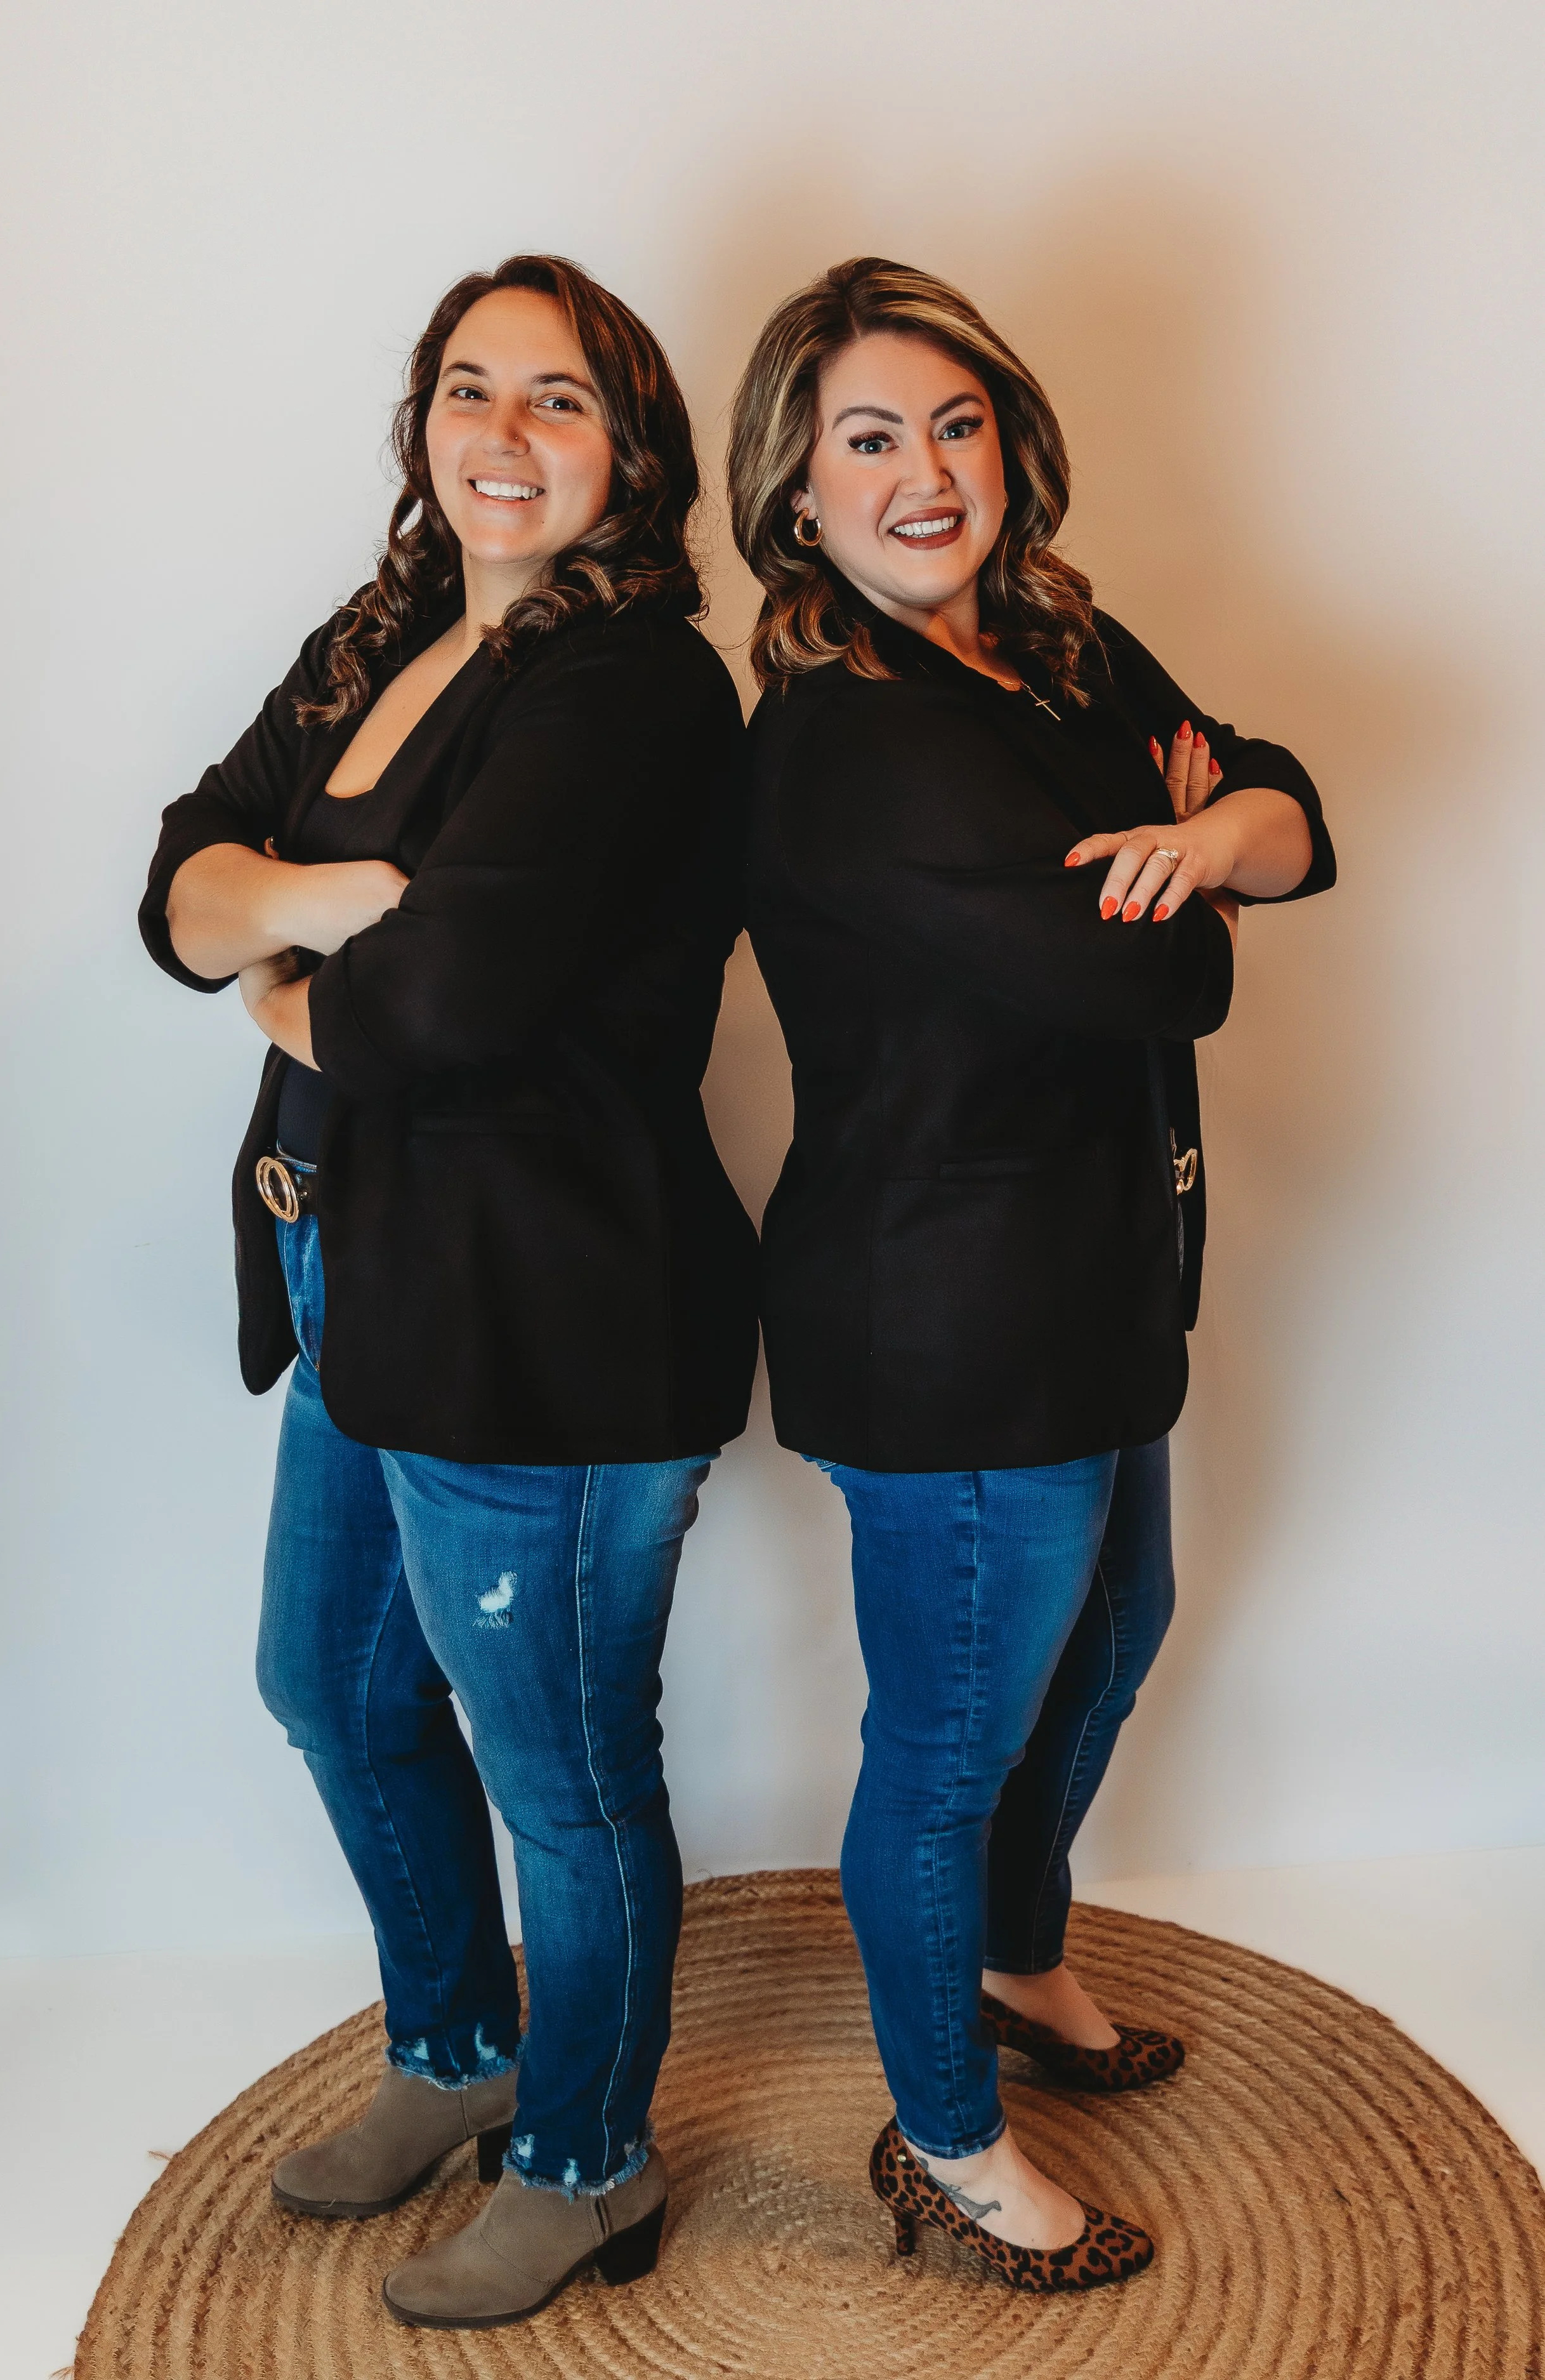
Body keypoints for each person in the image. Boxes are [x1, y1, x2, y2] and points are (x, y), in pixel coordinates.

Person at [140, 255, 758, 2330]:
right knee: (331, 1687)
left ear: (631, 444)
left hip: (550, 1324)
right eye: (467, 389)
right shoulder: (382, 627)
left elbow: (463, 998)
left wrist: (307, 968)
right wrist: (327, 911)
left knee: (563, 1783)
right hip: (353, 1271)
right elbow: (183, 873)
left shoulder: (643, 682)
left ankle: (586, 2157)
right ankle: (456, 2051)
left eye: (558, 399)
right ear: (422, 421)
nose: (502, 435)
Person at [726, 256, 1334, 2294]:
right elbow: (1148, 963)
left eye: (955, 425)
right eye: (868, 440)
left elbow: (1277, 802)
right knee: (946, 1736)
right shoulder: (847, 739)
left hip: (1091, 1283)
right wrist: (1189, 876)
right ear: (793, 492)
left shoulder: (1055, 650)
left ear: (1012, 443)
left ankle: (1012, 1955)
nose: (924, 473)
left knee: (1111, 1628)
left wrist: (1225, 815)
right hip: (945, 1326)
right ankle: (948, 2139)